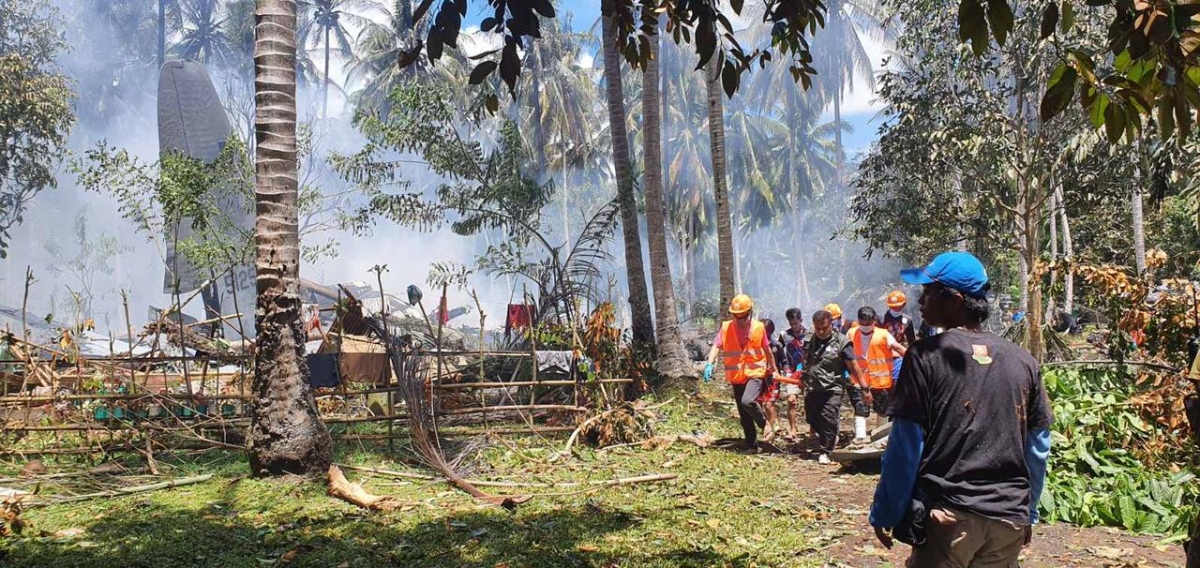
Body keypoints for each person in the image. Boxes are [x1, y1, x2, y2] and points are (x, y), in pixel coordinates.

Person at [870, 251, 1052, 568]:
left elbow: (905, 444)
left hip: (950, 517)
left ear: (953, 299)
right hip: (1008, 521)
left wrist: (887, 510)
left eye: (928, 292)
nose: (921, 301)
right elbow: (1037, 448)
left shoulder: (925, 356)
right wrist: (1028, 513)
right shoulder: (1023, 361)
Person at [704, 294, 778, 449]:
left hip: (755, 373)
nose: (740, 321)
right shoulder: (726, 328)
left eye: (743, 317)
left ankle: (765, 424)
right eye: (737, 317)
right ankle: (750, 442)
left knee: (747, 401)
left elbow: (767, 349)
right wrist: (709, 364)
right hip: (737, 376)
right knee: (743, 413)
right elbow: (716, 346)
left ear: (749, 313)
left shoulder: (758, 328)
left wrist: (774, 369)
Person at [802, 310, 864, 465]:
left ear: (831, 325)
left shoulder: (841, 342)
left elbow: (853, 365)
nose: (821, 332)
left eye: (824, 328)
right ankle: (829, 438)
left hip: (833, 387)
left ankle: (826, 450)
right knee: (811, 417)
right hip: (813, 387)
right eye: (818, 329)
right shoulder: (810, 339)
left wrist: (864, 386)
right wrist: (802, 375)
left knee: (828, 417)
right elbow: (805, 359)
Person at [850, 306, 906, 439]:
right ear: (858, 321)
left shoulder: (883, 334)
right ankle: (860, 439)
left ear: (874, 320)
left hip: (880, 381)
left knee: (882, 410)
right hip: (858, 379)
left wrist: (915, 360)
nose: (866, 327)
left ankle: (880, 437)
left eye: (869, 323)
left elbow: (898, 348)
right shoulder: (851, 333)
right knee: (860, 409)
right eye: (863, 323)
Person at [779, 308, 807, 439]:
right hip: (791, 372)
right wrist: (783, 368)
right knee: (791, 399)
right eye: (791, 324)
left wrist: (804, 367)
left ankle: (812, 430)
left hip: (807, 372)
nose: (794, 326)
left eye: (796, 323)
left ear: (801, 320)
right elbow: (777, 351)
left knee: (811, 401)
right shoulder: (785, 335)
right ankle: (792, 429)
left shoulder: (809, 335)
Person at [758, 319, 784, 442]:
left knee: (769, 405)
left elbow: (784, 362)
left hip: (773, 380)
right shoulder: (754, 343)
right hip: (758, 378)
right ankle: (765, 427)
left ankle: (773, 430)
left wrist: (788, 372)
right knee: (757, 404)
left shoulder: (776, 346)